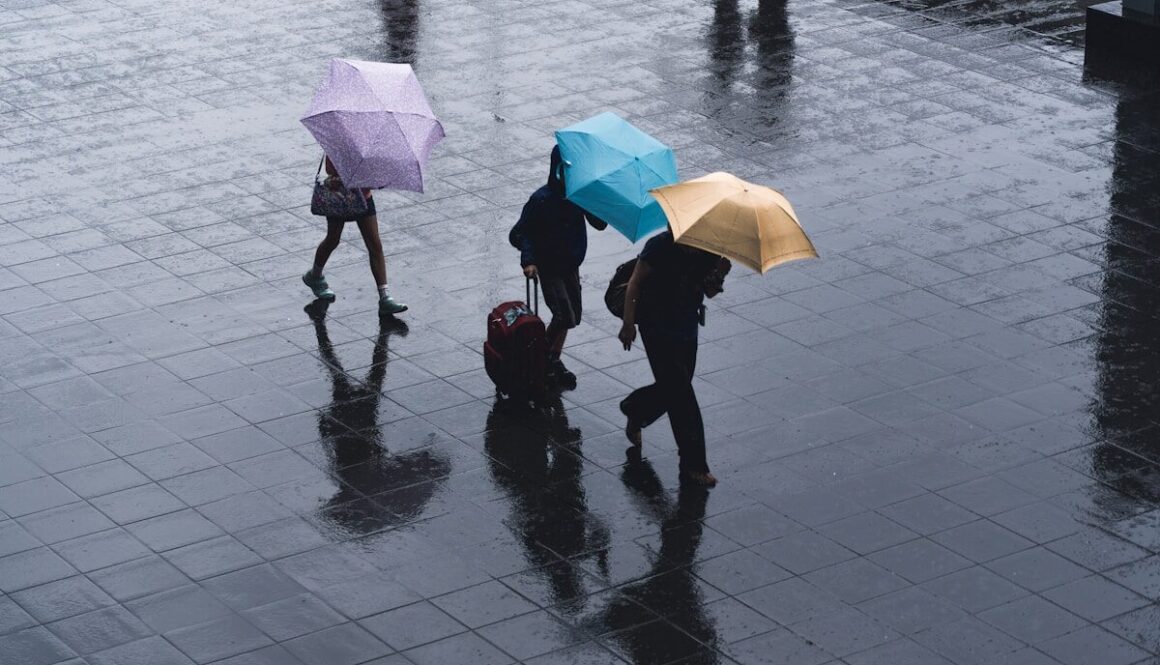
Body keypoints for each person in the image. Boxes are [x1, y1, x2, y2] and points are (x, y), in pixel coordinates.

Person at [617, 230, 731, 487]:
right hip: (657, 328)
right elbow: (635, 282)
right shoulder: (658, 247)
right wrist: (628, 322)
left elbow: (709, 291)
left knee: (676, 388)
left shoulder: (708, 250)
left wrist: (721, 272)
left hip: (687, 327)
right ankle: (694, 464)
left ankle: (636, 408)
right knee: (683, 397)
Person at [509, 146, 607, 387]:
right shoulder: (541, 200)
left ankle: (551, 358)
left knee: (572, 317)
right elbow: (522, 233)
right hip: (549, 267)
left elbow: (600, 223)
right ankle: (540, 357)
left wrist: (594, 199)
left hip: (570, 265)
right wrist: (529, 260)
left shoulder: (578, 197)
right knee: (563, 315)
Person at [302, 156, 408, 317]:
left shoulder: (371, 144)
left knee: (375, 245)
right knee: (333, 239)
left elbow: (375, 174)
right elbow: (330, 169)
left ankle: (385, 297)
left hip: (364, 197)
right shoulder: (339, 138)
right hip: (340, 197)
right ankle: (314, 275)